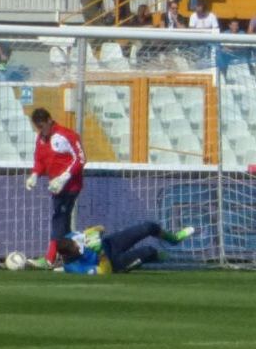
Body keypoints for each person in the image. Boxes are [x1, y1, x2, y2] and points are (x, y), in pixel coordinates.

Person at [25, 107, 85, 259]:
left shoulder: (66, 135)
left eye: (41, 126)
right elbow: (39, 160)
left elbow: (81, 159)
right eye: (37, 127)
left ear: (49, 121)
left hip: (71, 186)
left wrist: (64, 177)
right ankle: (71, 257)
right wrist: (35, 174)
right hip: (55, 187)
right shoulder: (41, 139)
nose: (40, 130)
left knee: (59, 217)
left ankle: (50, 258)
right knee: (63, 220)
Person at [31, 221, 198, 274]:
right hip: (113, 263)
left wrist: (94, 232)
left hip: (111, 243)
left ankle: (174, 239)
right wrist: (101, 254)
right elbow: (105, 272)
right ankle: (158, 257)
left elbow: (100, 228)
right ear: (71, 253)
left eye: (78, 243)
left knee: (148, 227)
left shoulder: (71, 237)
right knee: (149, 252)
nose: (80, 246)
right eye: (77, 248)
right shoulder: (74, 267)